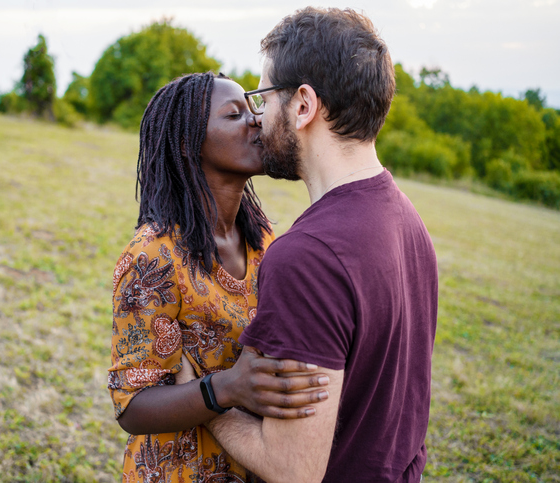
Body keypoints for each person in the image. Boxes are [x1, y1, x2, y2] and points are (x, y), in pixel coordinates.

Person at [205, 7, 438, 483]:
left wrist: (207, 405)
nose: (258, 114)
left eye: (263, 96)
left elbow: (293, 470)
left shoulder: (307, 257)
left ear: (303, 106)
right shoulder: (409, 222)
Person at [108, 72, 331, 483]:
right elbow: (132, 407)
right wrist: (223, 388)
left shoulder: (263, 239)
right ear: (187, 145)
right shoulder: (153, 257)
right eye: (234, 115)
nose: (256, 121)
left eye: (253, 109)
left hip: (253, 464)